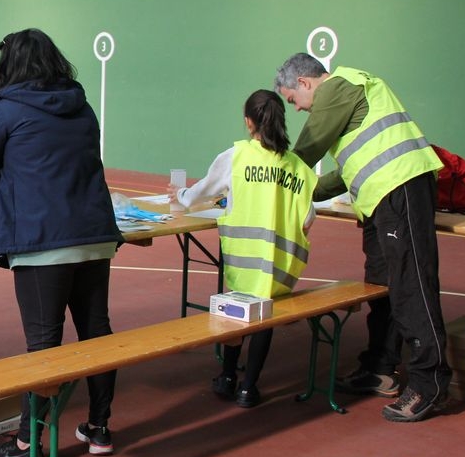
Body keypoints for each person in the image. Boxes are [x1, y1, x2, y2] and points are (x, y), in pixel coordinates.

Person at [0, 28, 122, 457]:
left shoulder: (4, 109)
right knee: (97, 334)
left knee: (44, 346)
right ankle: (99, 428)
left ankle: (28, 443)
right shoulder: (80, 105)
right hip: (93, 235)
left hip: (40, 241)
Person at [274, 53, 449, 423]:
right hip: (381, 196)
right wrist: (307, 191)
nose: (298, 108)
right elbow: (346, 171)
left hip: (400, 187)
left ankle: (429, 383)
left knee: (411, 286)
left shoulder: (338, 87)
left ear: (304, 83)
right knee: (382, 285)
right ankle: (380, 368)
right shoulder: (351, 94)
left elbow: (304, 153)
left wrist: (268, 176)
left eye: (293, 100)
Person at [171, 90, 317, 408]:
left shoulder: (236, 156)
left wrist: (180, 194)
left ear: (249, 122)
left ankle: (227, 377)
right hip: (280, 266)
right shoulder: (299, 168)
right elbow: (307, 219)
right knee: (265, 318)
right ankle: (249, 387)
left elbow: (199, 194)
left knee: (235, 314)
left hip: (244, 262)